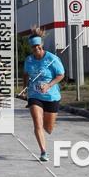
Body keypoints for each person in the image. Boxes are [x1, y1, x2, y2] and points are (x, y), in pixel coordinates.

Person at [21, 28, 65, 163]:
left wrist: (48, 85)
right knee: (37, 123)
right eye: (33, 47)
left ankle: (48, 125)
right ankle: (43, 151)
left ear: (41, 45)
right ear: (31, 48)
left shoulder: (52, 59)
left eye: (38, 46)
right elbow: (25, 74)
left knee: (48, 128)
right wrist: (25, 88)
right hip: (34, 95)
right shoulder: (29, 60)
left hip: (51, 96)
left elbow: (61, 75)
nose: (36, 48)